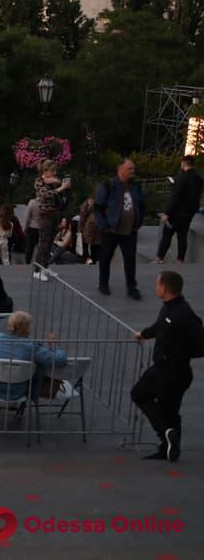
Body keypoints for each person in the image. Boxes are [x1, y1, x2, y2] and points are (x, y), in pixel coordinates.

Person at [133, 271, 202, 461]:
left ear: (165, 287)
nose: (156, 288)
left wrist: (178, 355)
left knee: (141, 395)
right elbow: (160, 326)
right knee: (168, 410)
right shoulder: (168, 308)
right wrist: (144, 334)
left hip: (173, 372)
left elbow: (200, 343)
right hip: (166, 370)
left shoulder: (184, 314)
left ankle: (166, 436)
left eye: (157, 284)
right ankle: (169, 446)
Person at [0, 311, 67, 401]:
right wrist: (54, 345)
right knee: (38, 365)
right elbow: (60, 360)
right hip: (18, 390)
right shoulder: (31, 346)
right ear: (27, 327)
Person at [94, 158, 145, 299]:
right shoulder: (108, 186)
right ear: (120, 169)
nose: (133, 171)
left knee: (130, 260)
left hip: (129, 232)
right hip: (111, 231)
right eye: (130, 169)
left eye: (133, 168)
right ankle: (103, 284)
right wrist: (104, 226)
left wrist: (138, 223)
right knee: (105, 258)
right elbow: (98, 208)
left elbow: (142, 205)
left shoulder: (136, 187)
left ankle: (132, 287)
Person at [157, 155, 202, 265]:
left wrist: (167, 213)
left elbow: (176, 197)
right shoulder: (198, 179)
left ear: (185, 162)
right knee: (182, 236)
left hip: (176, 213)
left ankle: (159, 258)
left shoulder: (182, 177)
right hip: (189, 213)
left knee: (167, 235)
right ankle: (180, 260)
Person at [32, 161, 70, 268]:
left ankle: (45, 267)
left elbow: (63, 197)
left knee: (50, 242)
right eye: (52, 170)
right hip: (45, 214)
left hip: (55, 213)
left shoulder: (55, 181)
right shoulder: (39, 181)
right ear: (45, 170)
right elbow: (45, 195)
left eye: (55, 170)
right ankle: (37, 269)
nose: (54, 172)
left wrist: (64, 186)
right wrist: (61, 188)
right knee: (43, 242)